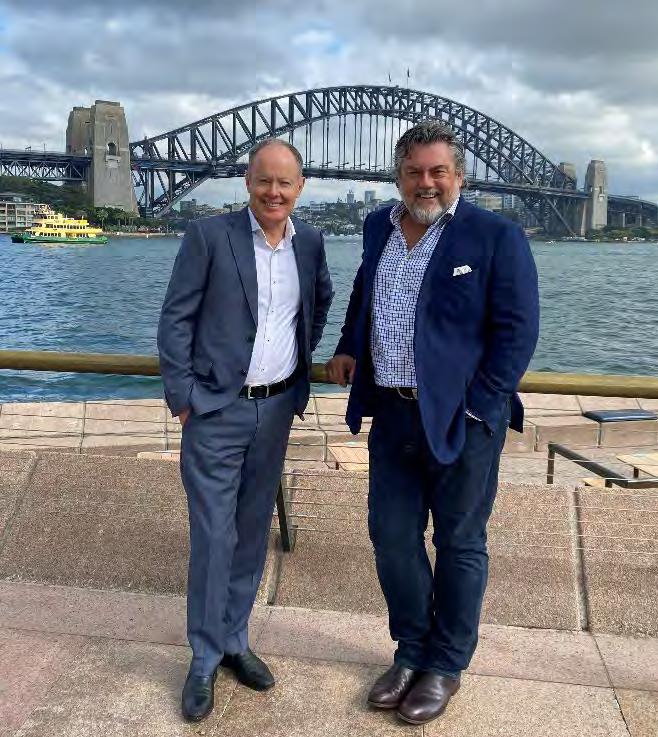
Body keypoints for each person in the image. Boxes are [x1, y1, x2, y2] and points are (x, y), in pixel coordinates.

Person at [326, 120, 539, 725]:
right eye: (414, 171)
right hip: (393, 411)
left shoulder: (495, 235)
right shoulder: (378, 225)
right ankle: (411, 650)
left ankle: (445, 664)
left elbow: (518, 329)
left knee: (459, 542)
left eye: (438, 171)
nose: (426, 182)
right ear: (398, 176)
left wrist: (481, 406)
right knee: (391, 536)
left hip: (462, 420)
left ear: (458, 176)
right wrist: (348, 345)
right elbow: (365, 289)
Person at [158, 138, 333, 722]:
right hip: (215, 410)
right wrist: (184, 397)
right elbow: (176, 318)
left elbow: (319, 303)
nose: (273, 192)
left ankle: (235, 639)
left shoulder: (310, 241)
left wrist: (297, 362)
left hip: (276, 409)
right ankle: (204, 657)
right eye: (264, 181)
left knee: (253, 531)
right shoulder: (208, 236)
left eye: (285, 183)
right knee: (215, 534)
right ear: (247, 182)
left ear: (300, 187)